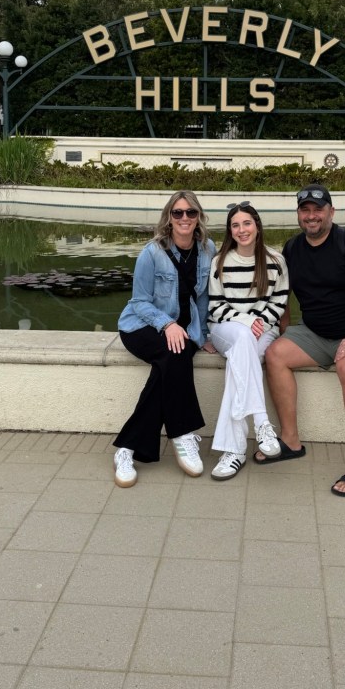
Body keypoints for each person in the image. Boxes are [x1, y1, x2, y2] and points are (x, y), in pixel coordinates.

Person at [260, 183, 345, 497]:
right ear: (298, 215)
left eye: (318, 209)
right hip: (317, 333)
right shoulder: (292, 248)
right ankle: (290, 441)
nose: (311, 216)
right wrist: (283, 330)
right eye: (305, 210)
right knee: (275, 354)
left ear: (331, 212)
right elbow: (282, 296)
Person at [113, 190, 216, 487]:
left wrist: (203, 334)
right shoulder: (152, 252)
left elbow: (204, 298)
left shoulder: (207, 248)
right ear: (168, 218)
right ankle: (183, 433)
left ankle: (127, 448)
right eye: (178, 213)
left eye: (191, 213)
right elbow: (139, 302)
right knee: (176, 354)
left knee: (173, 360)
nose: (185, 218)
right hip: (140, 327)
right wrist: (167, 323)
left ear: (199, 217)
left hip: (183, 331)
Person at [207, 201, 290, 480]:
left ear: (257, 226)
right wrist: (246, 322)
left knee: (240, 362)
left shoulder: (275, 261)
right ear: (230, 231)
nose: (241, 230)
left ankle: (234, 451)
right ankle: (262, 422)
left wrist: (261, 323)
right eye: (235, 225)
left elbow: (279, 304)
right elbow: (215, 307)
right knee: (241, 340)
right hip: (225, 329)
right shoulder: (220, 262)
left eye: (246, 223)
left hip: (262, 331)